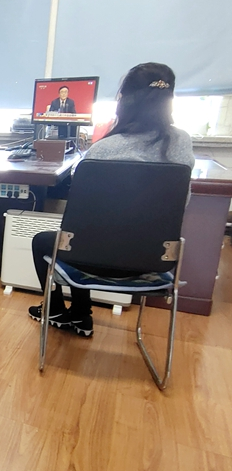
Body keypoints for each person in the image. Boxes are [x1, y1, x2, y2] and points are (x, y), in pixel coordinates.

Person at [29, 62, 195, 337]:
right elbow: (181, 204)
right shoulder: (181, 143)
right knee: (87, 239)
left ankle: (57, 310)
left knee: (48, 241)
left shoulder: (102, 150)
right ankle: (80, 315)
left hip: (89, 259)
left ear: (124, 101)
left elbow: (81, 215)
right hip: (153, 261)